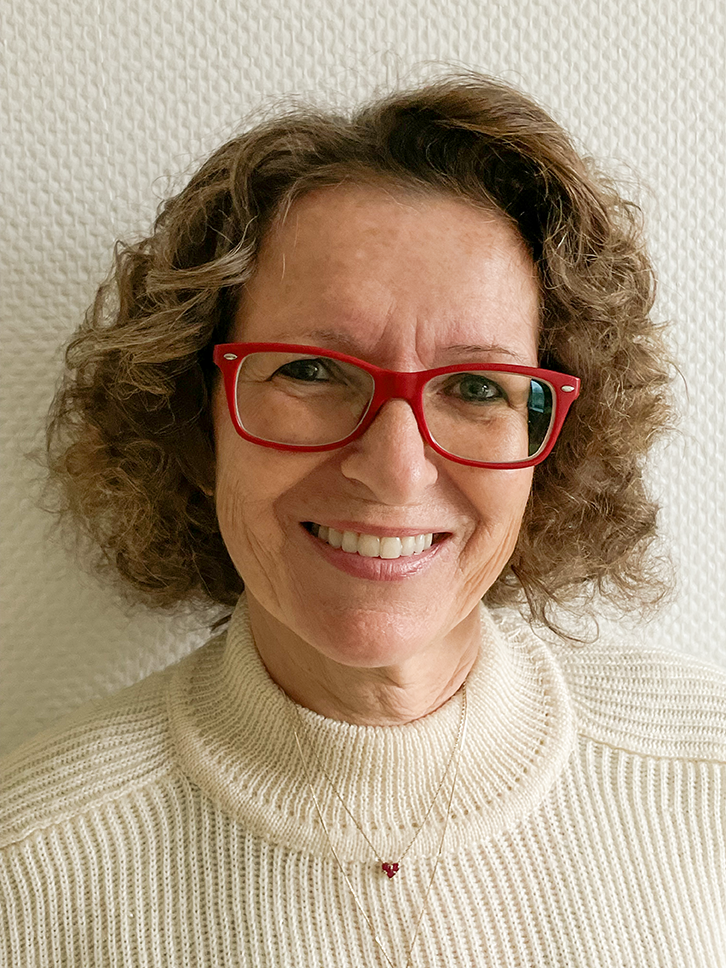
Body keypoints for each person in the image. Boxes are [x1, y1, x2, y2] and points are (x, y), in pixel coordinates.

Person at [1, 73, 724, 968]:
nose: (394, 467)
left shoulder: (709, 781)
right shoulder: (29, 873)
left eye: (477, 387)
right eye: (310, 371)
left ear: (553, 448)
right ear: (197, 415)